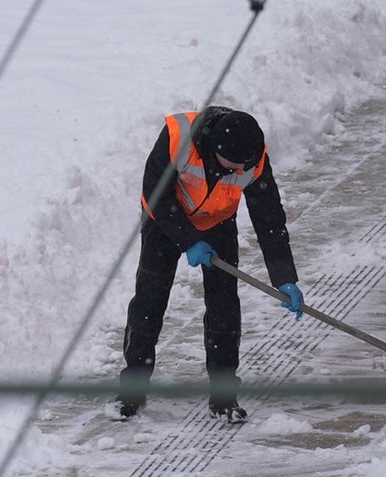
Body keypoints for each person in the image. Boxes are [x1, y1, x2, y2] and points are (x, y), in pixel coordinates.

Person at [110, 105, 305, 423]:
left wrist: (285, 277)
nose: (241, 170)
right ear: (216, 150)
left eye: (247, 164)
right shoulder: (179, 138)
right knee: (149, 301)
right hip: (165, 220)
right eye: (235, 165)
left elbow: (269, 218)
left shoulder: (251, 158)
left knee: (224, 308)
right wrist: (187, 239)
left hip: (217, 223)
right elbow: (155, 191)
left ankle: (224, 397)